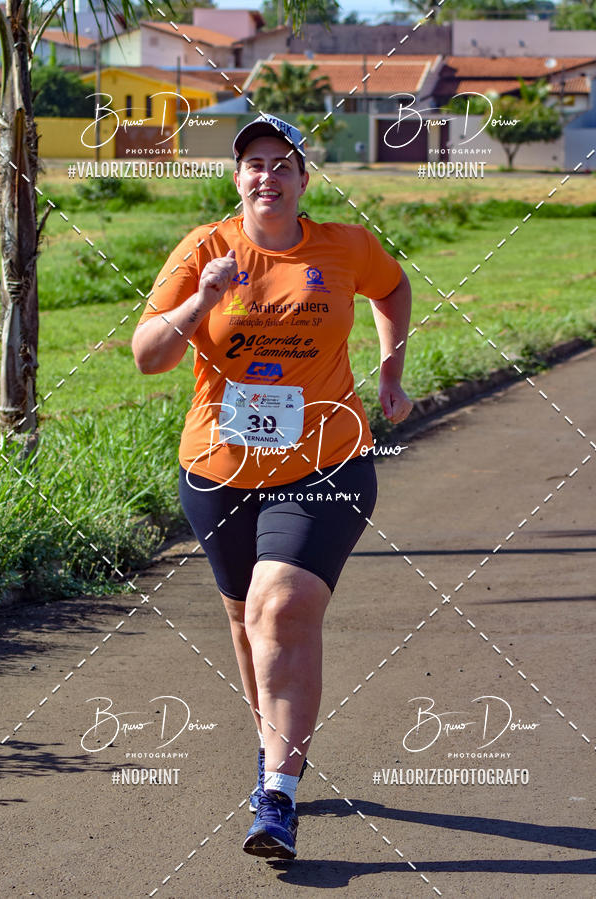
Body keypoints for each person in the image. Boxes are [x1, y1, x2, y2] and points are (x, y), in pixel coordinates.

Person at [131, 114, 413, 860]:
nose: (268, 175)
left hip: (327, 463)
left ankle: (278, 798)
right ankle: (275, 754)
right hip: (219, 471)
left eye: (283, 164)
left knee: (280, 606)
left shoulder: (345, 246)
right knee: (244, 620)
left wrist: (390, 369)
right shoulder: (204, 249)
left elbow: (394, 288)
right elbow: (147, 355)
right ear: (237, 177)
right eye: (255, 162)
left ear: (302, 180)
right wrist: (202, 299)